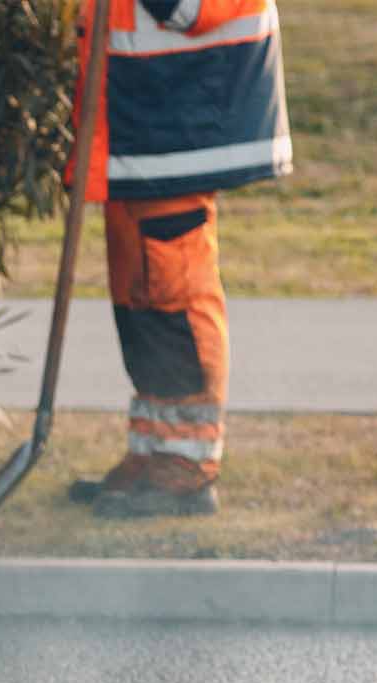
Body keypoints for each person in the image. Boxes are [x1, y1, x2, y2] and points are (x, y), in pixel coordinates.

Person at [68, 0, 291, 519]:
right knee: (137, 291)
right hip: (139, 110)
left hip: (184, 109)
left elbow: (186, 8)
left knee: (175, 293)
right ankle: (153, 446)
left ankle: (189, 463)